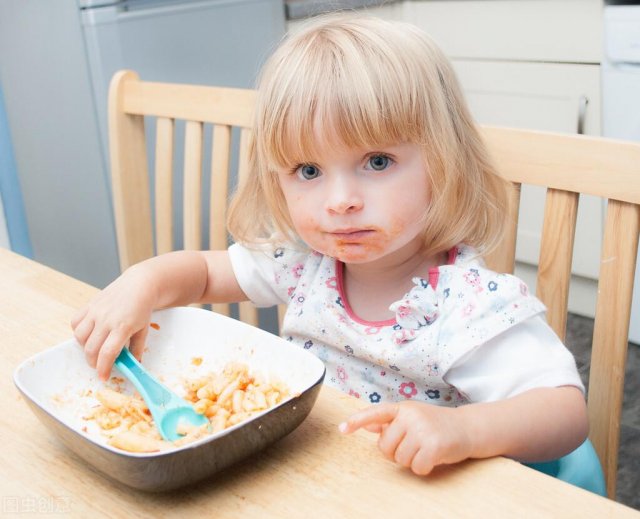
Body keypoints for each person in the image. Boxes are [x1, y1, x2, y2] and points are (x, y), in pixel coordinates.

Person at [72, 14, 588, 476]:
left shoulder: (468, 304)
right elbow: (204, 276)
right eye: (309, 170)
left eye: (377, 162)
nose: (340, 201)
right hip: (318, 477)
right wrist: (142, 283)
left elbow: (565, 415)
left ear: (443, 161)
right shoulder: (305, 264)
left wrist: (467, 430)